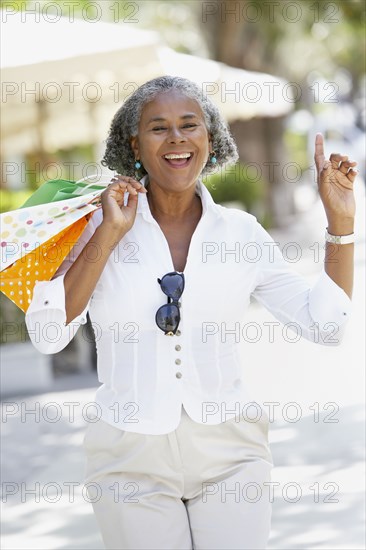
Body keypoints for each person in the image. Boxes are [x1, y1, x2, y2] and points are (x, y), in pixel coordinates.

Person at [25, 76, 357, 550]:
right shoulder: (93, 225)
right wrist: (108, 236)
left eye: (189, 125)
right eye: (158, 128)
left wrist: (340, 223)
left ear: (210, 138)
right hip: (128, 459)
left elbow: (326, 325)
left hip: (232, 456)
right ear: (133, 144)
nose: (177, 138)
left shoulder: (241, 234)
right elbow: (47, 334)